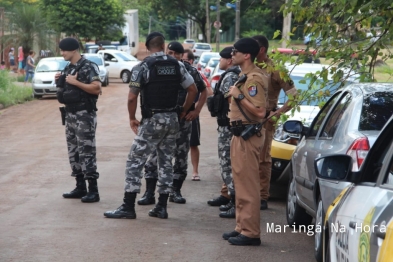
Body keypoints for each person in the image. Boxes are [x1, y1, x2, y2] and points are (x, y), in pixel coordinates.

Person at [104, 33, 197, 219]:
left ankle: (128, 206)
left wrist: (132, 117)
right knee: (166, 162)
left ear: (147, 47)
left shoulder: (143, 66)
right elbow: (193, 90)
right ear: (163, 45)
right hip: (172, 120)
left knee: (135, 160)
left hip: (153, 119)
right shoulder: (177, 65)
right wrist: (182, 110)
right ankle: (161, 206)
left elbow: (132, 96)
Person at [137, 43, 205, 206]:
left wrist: (194, 111)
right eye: (171, 52)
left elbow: (203, 91)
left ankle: (176, 191)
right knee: (153, 156)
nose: (174, 56)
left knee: (180, 156)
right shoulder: (158, 68)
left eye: (177, 53)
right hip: (160, 120)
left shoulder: (190, 70)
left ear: (183, 55)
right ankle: (149, 193)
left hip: (182, 120)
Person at [222, 38, 268, 246]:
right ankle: (242, 226)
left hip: (248, 136)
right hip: (239, 135)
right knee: (240, 184)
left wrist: (239, 96)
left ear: (246, 55)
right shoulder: (245, 75)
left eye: (235, 51)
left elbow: (259, 112)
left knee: (248, 185)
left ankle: (251, 233)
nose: (232, 54)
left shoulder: (254, 78)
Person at [252, 35, 297, 210]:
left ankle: (262, 196)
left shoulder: (276, 69)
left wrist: (277, 113)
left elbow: (294, 96)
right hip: (248, 118)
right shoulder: (249, 66)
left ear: (262, 49)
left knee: (263, 159)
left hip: (265, 120)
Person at [55, 37, 102, 203]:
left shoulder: (88, 66)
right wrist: (60, 82)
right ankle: (80, 186)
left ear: (74, 50)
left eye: (64, 50)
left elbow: (97, 88)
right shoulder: (68, 68)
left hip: (84, 115)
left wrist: (76, 82)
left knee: (86, 152)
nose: (62, 53)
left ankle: (93, 190)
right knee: (74, 151)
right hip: (70, 115)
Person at [206, 46, 241, 219]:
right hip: (227, 125)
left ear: (229, 60)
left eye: (221, 58)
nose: (219, 61)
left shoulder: (230, 77)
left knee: (227, 164)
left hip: (228, 127)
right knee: (228, 164)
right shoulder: (233, 74)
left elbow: (231, 102)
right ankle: (231, 199)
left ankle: (235, 202)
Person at [184, 48, 208, 182]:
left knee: (193, 143)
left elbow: (207, 90)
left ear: (191, 61)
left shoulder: (196, 73)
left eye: (186, 59)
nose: (183, 62)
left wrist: (196, 109)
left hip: (191, 114)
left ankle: (195, 171)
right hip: (177, 114)